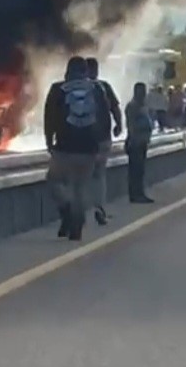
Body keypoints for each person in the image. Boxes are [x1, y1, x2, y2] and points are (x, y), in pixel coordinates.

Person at [44, 56, 110, 241]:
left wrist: (49, 140)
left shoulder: (58, 89)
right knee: (80, 187)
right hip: (89, 148)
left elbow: (49, 116)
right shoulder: (97, 89)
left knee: (54, 181)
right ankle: (77, 222)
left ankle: (67, 210)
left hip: (64, 147)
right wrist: (102, 145)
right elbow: (104, 117)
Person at [85, 57, 121, 227]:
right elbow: (115, 108)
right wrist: (119, 126)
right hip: (102, 139)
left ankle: (77, 211)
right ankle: (99, 209)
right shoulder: (104, 87)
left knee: (79, 176)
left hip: (80, 140)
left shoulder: (74, 88)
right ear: (96, 70)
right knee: (99, 175)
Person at [125, 82, 155, 203]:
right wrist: (132, 139)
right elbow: (130, 124)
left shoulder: (143, 106)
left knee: (140, 170)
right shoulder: (133, 106)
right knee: (135, 170)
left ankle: (139, 192)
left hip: (142, 141)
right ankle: (135, 194)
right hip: (135, 142)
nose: (143, 94)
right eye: (141, 91)